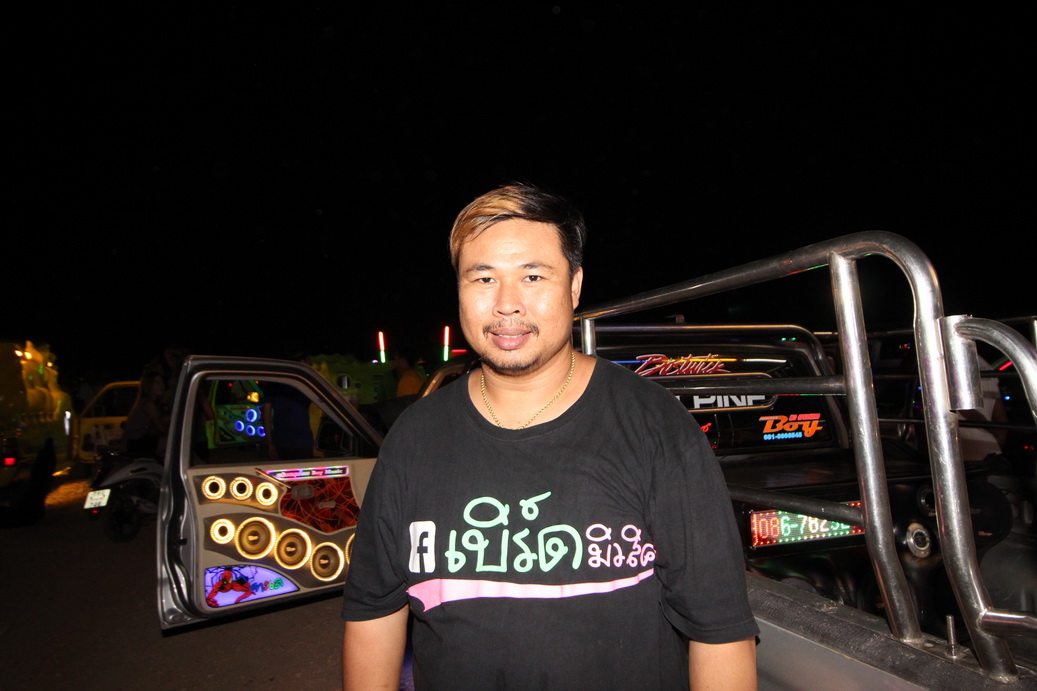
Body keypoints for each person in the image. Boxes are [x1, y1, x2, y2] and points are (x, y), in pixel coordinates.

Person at [341, 183, 758, 689]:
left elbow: (719, 629)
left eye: (533, 276)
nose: (507, 304)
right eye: (484, 278)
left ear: (575, 286)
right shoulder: (414, 438)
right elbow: (373, 611)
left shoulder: (655, 425)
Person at [122, 369, 169, 459]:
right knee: (175, 440)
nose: (162, 386)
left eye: (162, 382)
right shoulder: (148, 404)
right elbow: (162, 428)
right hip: (135, 444)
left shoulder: (147, 402)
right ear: (149, 385)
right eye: (157, 383)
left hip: (135, 442)